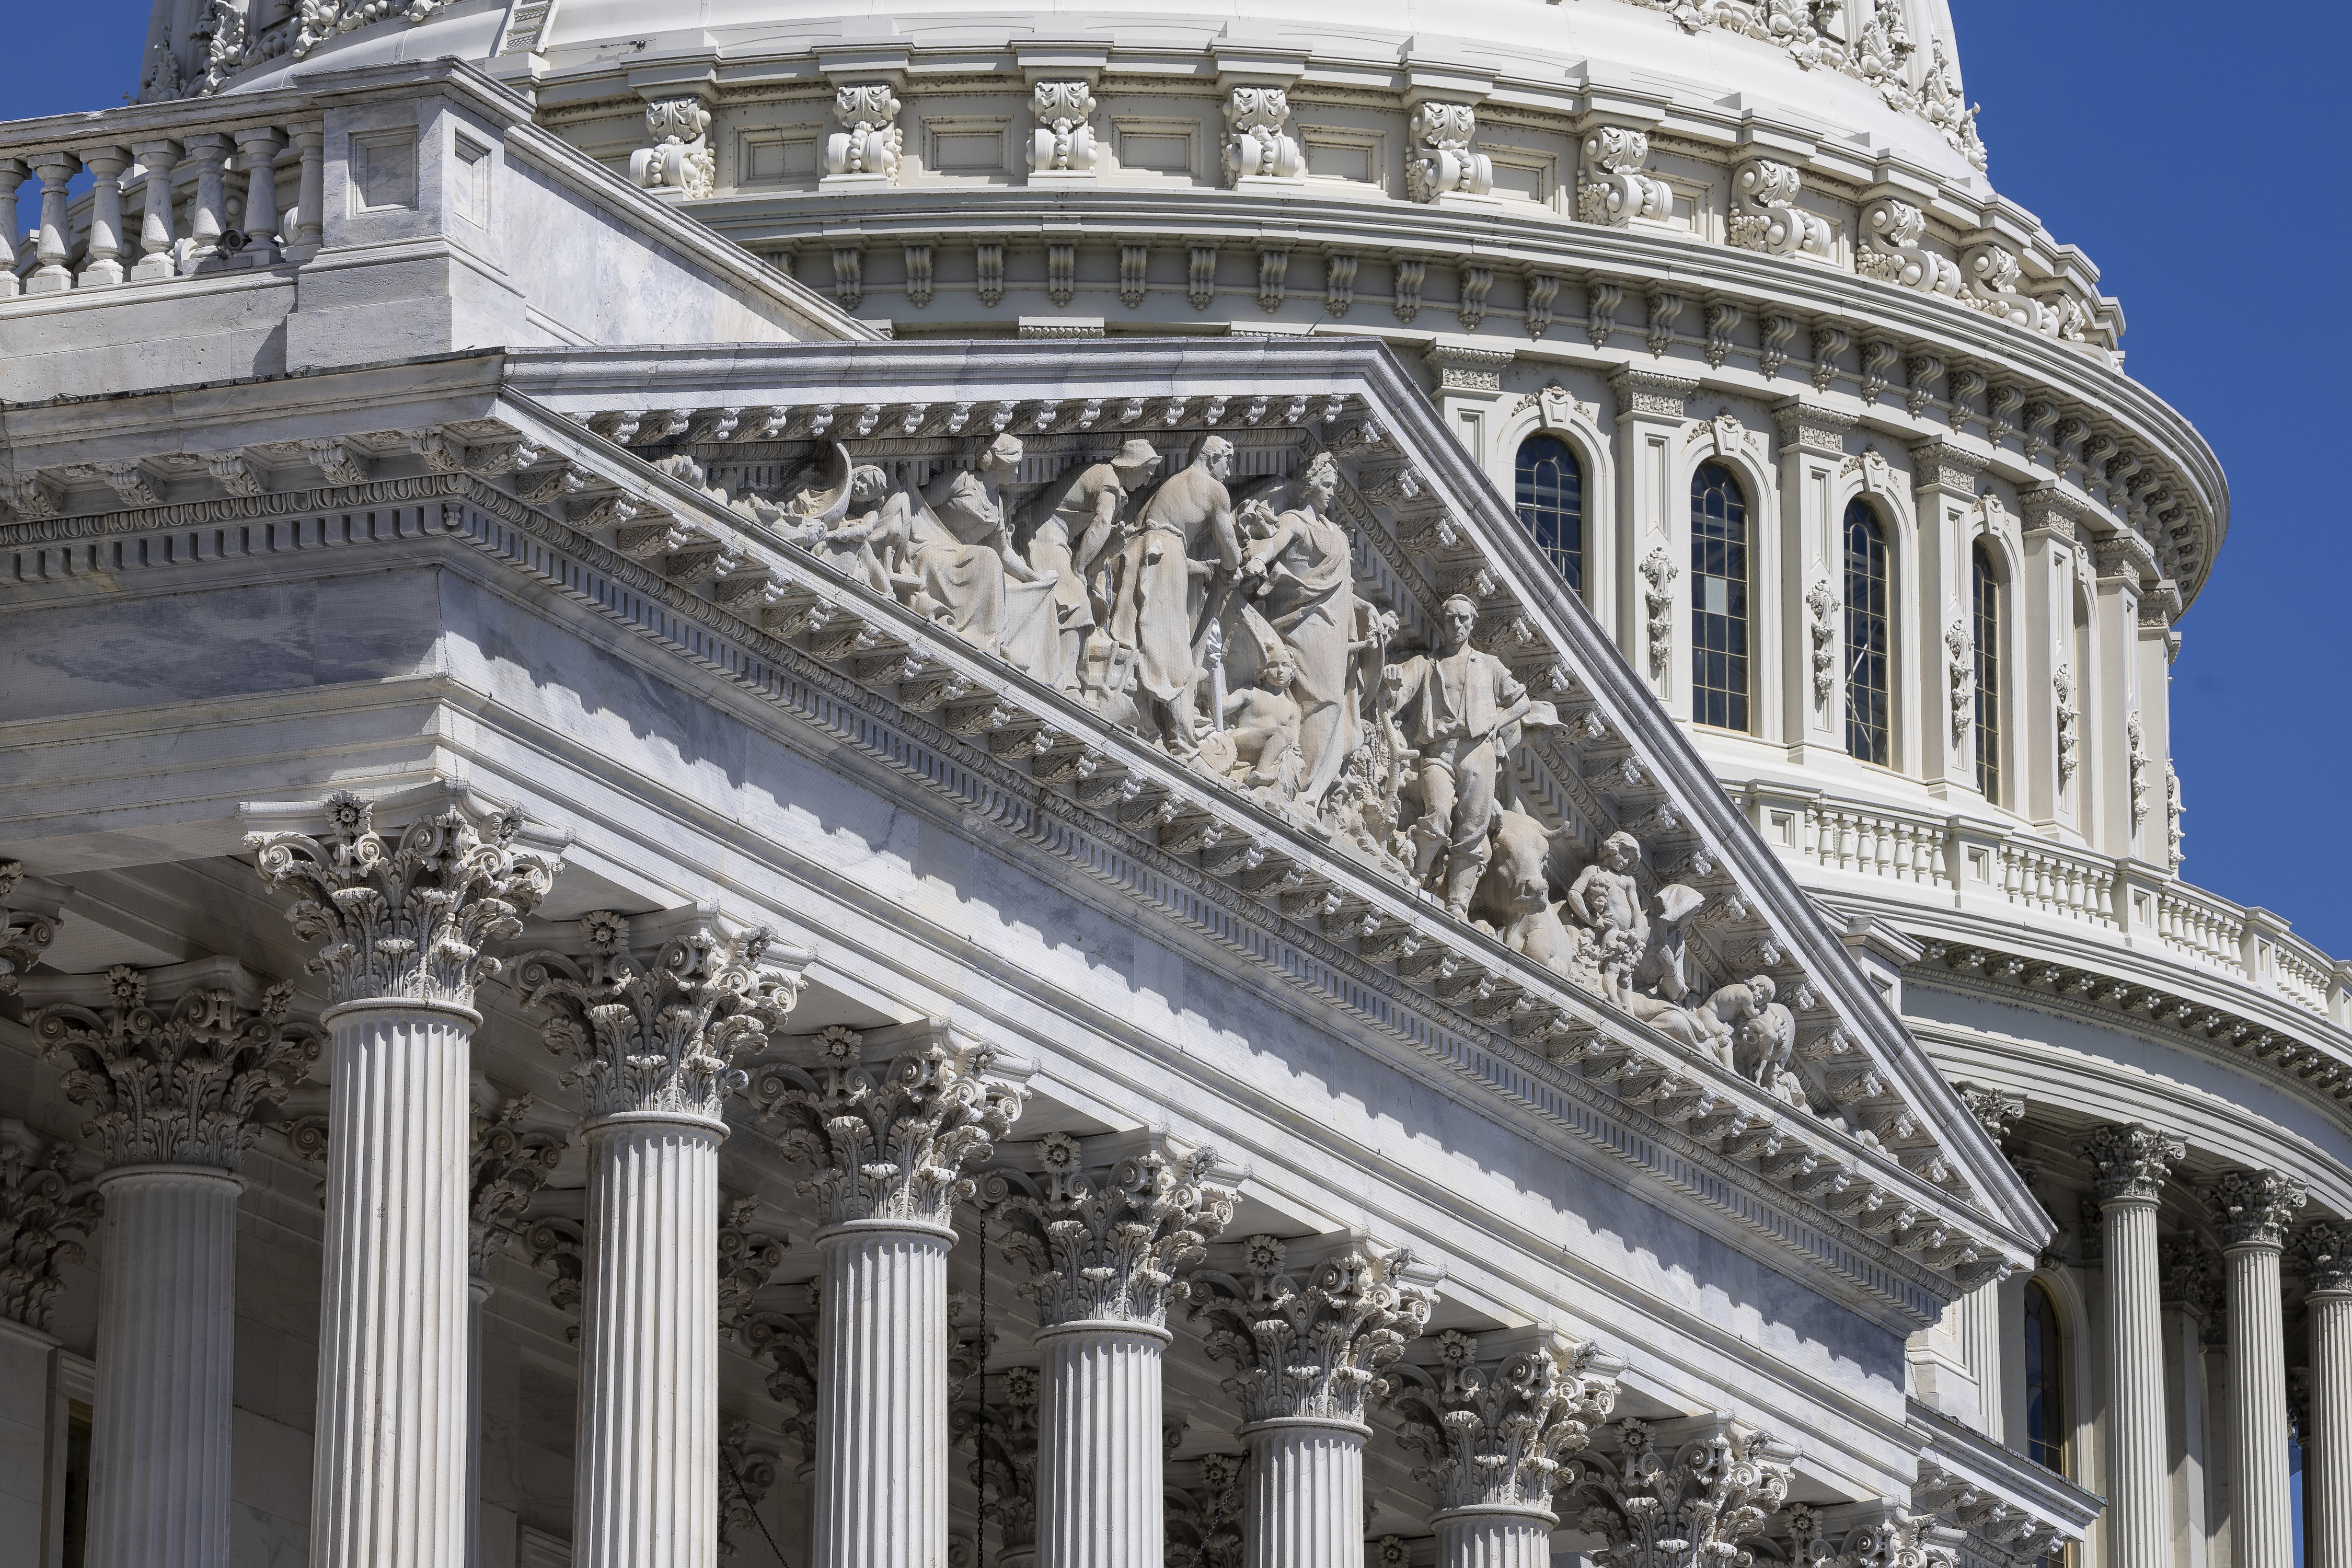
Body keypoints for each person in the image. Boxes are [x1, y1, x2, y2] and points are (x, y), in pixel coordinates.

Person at [1384, 594, 1553, 919]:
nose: (1457, 625)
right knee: (1437, 813)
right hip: (1439, 751)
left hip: (1479, 752)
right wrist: (1391, 674)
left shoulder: (1490, 666)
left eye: (1463, 619)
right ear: (1442, 622)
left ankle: (1458, 903)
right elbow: (1397, 689)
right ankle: (1418, 876)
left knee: (1473, 830)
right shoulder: (1426, 664)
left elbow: (1522, 704)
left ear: (1473, 623)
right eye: (1450, 618)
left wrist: (1495, 722)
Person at [1102, 435, 1241, 756]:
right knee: (1170, 645)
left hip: (1141, 554)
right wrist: (1231, 568)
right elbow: (1231, 553)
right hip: (1165, 562)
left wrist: (1203, 567)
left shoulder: (1169, 485)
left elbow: (1154, 537)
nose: (1229, 471)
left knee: (1142, 633)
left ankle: (1147, 714)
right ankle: (1180, 737)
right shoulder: (1212, 489)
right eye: (1227, 463)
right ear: (1212, 458)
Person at [1239, 452, 1356, 816]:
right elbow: (1271, 548)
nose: (1331, 492)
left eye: (1334, 486)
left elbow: (1348, 592)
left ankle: (1308, 789)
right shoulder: (1294, 522)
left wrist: (1374, 619)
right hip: (1301, 621)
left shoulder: (1337, 534)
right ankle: (1297, 783)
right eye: (1325, 484)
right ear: (1309, 484)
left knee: (1333, 701)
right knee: (1321, 698)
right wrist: (1259, 558)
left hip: (1334, 625)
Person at [1014, 438, 1161, 693]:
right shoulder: (1108, 483)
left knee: (1084, 599)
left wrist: (1109, 548)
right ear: (1132, 465)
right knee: (1078, 604)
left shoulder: (1104, 476)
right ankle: (1066, 682)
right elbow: (1102, 523)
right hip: (1042, 535)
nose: (1147, 481)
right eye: (1146, 472)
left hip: (1056, 537)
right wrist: (1079, 569)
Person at [1565, 831, 1647, 1007]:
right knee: (1613, 967)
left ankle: (1628, 1009)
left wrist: (1639, 935)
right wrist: (1592, 921)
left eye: (1630, 861)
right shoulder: (1594, 870)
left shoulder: (1628, 880)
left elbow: (1636, 910)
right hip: (1610, 931)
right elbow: (1574, 894)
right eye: (1625, 856)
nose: (1626, 863)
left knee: (1626, 972)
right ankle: (1613, 997)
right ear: (1613, 849)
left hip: (1629, 934)